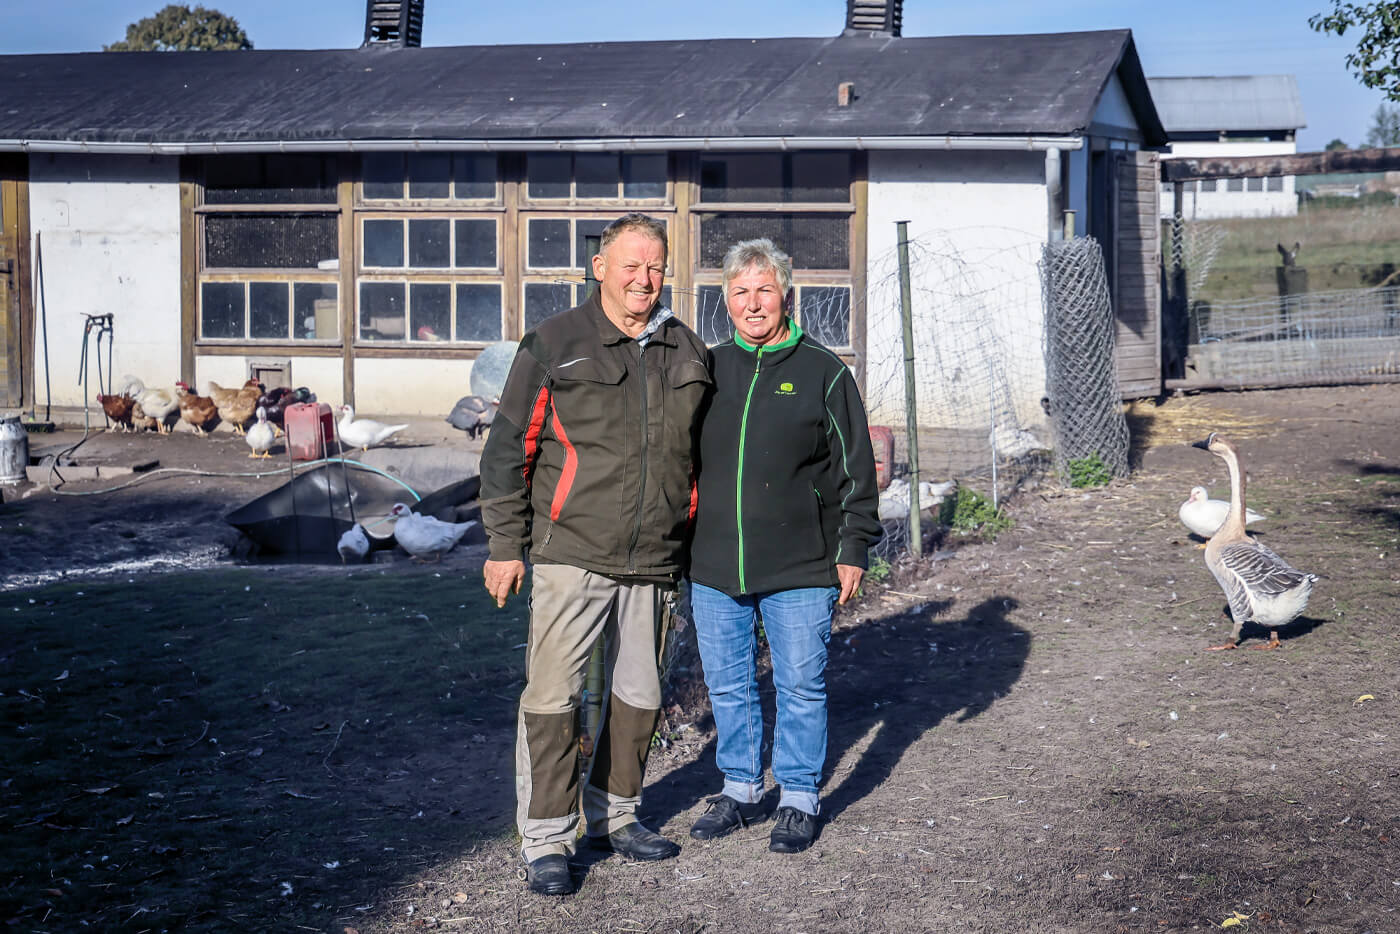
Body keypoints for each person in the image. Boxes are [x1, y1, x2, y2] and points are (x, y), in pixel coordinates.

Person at [479, 213, 711, 896]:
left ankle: (617, 814)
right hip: (571, 551)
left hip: (655, 558)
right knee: (553, 700)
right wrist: (504, 545)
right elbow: (506, 453)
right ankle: (549, 837)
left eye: (657, 266)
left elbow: (699, 459)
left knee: (639, 696)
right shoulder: (556, 343)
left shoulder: (686, 349)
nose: (645, 278)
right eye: (632, 264)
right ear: (599, 267)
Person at [686, 238, 882, 854]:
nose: (752, 304)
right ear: (725, 300)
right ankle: (741, 788)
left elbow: (857, 472)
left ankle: (798, 795)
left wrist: (853, 547)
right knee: (729, 683)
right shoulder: (706, 368)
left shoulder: (824, 372)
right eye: (740, 292)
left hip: (802, 563)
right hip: (714, 562)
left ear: (786, 296)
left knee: (800, 682)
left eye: (764, 290)